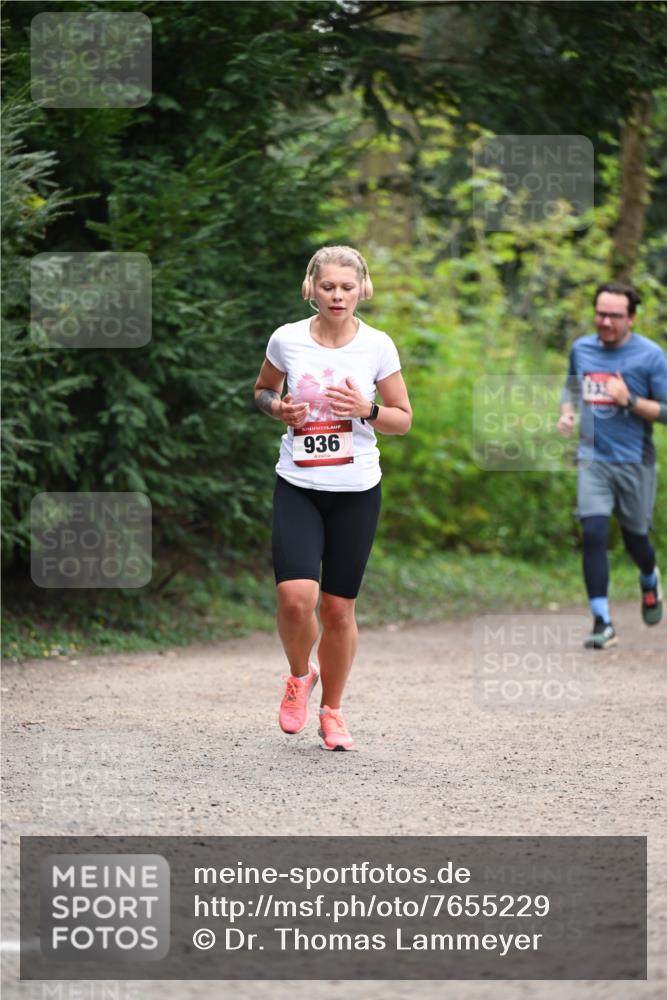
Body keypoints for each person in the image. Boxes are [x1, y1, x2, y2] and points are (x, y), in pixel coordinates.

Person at [253, 245, 412, 749]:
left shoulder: (377, 346)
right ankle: (300, 675)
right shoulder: (287, 339)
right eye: (328, 287)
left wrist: (366, 410)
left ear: (363, 289)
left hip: (357, 491)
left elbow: (403, 419)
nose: (337, 295)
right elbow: (260, 390)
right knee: (296, 598)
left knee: (339, 609)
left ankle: (334, 712)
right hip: (299, 484)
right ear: (310, 289)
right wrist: (277, 409)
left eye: (347, 287)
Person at [557, 281, 667, 649]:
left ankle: (649, 576)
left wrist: (630, 399)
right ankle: (602, 621)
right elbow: (572, 387)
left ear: (631, 319)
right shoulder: (582, 348)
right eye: (600, 313)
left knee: (636, 539)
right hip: (594, 460)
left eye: (614, 316)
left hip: (635, 460)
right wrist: (568, 412)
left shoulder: (650, 356)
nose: (605, 322)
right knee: (593, 532)